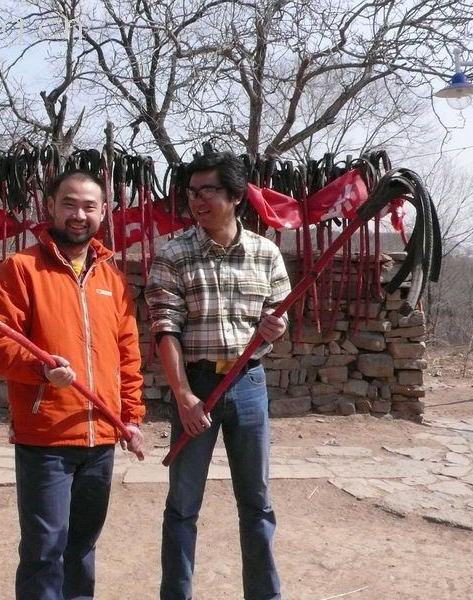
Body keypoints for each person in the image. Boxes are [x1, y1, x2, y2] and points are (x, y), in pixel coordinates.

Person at [0, 169, 146, 600]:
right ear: (50, 206)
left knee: (82, 549)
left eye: (89, 206)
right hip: (46, 439)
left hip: (102, 439)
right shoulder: (21, 269)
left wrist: (131, 418)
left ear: (104, 212)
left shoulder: (112, 279)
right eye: (69, 204)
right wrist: (40, 370)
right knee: (44, 551)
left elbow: (128, 355)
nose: (79, 214)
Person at [145, 152, 291, 600]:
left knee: (256, 504)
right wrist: (184, 395)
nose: (198, 200)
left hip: (248, 385)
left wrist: (274, 330)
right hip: (197, 388)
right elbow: (164, 329)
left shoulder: (266, 254)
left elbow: (276, 320)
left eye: (208, 190)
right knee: (183, 505)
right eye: (192, 192)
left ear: (235, 196)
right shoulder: (173, 254)